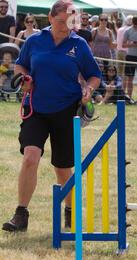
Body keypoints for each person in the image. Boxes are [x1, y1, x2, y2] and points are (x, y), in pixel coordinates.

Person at [2, 0, 101, 233]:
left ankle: (70, 211)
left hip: (66, 110)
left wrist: (89, 89)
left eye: (69, 22)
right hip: (36, 108)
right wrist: (23, 79)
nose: (65, 26)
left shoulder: (79, 44)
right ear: (50, 17)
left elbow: (94, 75)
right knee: (30, 157)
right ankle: (21, 214)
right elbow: (20, 66)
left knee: (63, 168)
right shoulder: (35, 40)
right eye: (60, 21)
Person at [116, 15, 132, 80]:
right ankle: (123, 86)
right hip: (127, 52)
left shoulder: (120, 29)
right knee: (125, 71)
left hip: (119, 51)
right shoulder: (131, 30)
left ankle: (119, 86)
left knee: (119, 71)